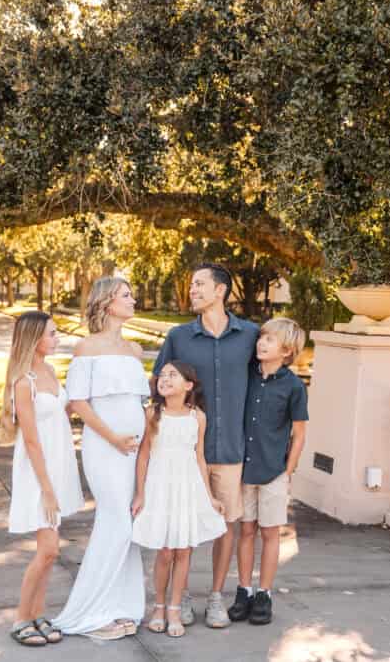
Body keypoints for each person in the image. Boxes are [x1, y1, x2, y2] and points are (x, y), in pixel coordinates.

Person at [153, 263, 259, 628]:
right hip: (184, 455)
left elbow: (268, 381)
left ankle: (216, 597)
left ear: (220, 290)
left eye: (200, 284)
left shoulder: (250, 335)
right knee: (181, 528)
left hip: (231, 450)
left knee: (225, 526)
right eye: (192, 284)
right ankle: (176, 602)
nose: (193, 289)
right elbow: (160, 384)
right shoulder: (179, 337)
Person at [52, 277, 150, 640]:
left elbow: (138, 403)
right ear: (108, 302)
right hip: (104, 447)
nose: (133, 299)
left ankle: (121, 607)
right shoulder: (86, 348)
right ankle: (87, 613)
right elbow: (78, 402)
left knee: (129, 524)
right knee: (116, 524)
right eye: (126, 295)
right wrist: (112, 437)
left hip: (135, 449)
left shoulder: (136, 350)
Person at [3, 311, 85, 647]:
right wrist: (47, 490)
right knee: (48, 549)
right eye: (52, 334)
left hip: (59, 465)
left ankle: (38, 613)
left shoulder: (50, 371)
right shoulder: (24, 382)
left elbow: (61, 417)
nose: (57, 338)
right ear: (34, 338)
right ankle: (21, 617)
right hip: (38, 473)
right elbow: (33, 441)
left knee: (49, 552)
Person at [131, 361, 227, 638]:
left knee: (183, 551)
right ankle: (159, 606)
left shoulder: (197, 417)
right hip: (160, 486)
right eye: (162, 375)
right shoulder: (152, 414)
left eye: (173, 375)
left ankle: (175, 607)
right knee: (164, 551)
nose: (165, 379)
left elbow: (200, 458)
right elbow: (144, 456)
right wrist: (140, 493)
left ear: (188, 385)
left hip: (188, 487)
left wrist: (209, 497)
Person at [228, 318, 309, 626]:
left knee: (270, 533)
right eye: (262, 337)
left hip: (274, 471)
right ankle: (244, 590)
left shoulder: (294, 387)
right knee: (245, 531)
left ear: (286, 351)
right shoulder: (246, 376)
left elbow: (299, 434)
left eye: (270, 340)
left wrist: (288, 471)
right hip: (243, 469)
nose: (261, 343)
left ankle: (264, 594)